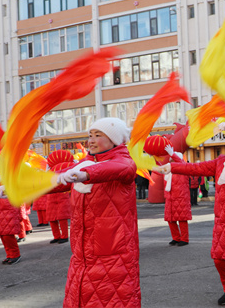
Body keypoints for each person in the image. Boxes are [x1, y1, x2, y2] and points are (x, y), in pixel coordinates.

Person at [153, 123, 225, 308]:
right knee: (219, 259)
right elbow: (195, 169)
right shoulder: (220, 161)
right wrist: (171, 168)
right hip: (224, 219)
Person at [57, 117, 141, 308]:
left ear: (114, 140)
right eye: (90, 135)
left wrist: (88, 174)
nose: (91, 140)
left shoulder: (125, 163)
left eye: (98, 135)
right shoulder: (82, 165)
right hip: (81, 255)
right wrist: (16, 187)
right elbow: (55, 179)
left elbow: (114, 168)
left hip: (113, 255)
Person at [0, 173, 23, 265]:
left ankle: (15, 255)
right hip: (1, 212)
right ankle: (10, 255)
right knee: (3, 236)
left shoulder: (11, 180)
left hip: (9, 211)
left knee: (8, 235)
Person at [46, 150, 74, 244]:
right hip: (51, 197)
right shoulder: (49, 171)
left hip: (63, 195)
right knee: (51, 218)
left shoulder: (67, 169)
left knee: (62, 218)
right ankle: (56, 236)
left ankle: (65, 236)